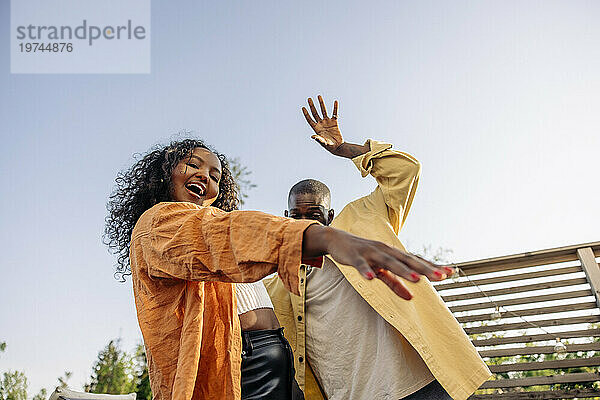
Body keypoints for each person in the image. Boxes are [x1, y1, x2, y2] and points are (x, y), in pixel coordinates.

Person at [103, 138, 450, 400]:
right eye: (192, 165)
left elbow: (233, 240)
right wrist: (325, 239)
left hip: (281, 366)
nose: (204, 177)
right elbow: (221, 235)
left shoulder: (248, 252)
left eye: (214, 175)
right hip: (242, 370)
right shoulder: (158, 225)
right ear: (165, 174)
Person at [265, 96, 491, 400]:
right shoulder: (279, 282)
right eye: (296, 217)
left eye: (314, 216)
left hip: (419, 386)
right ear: (286, 218)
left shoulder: (363, 218)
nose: (304, 224)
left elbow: (405, 171)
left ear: (330, 217)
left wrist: (345, 150)